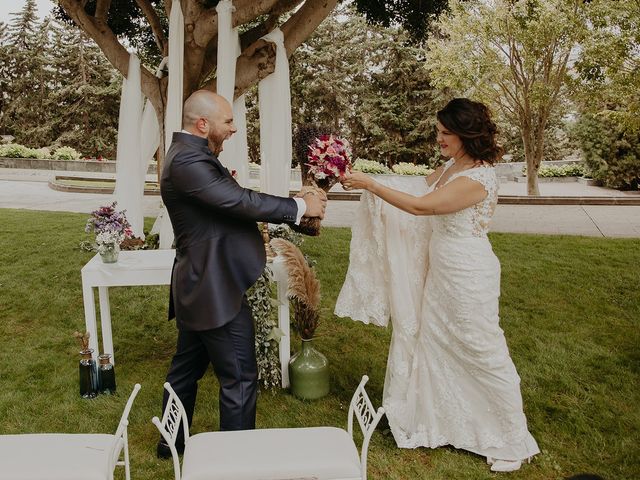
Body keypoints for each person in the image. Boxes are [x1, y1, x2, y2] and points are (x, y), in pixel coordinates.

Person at [340, 98, 539, 472]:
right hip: (441, 271)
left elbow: (422, 207)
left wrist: (370, 184)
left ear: (466, 134)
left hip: (468, 273)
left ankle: (511, 440)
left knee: (482, 348)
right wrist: (369, 181)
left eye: (446, 133)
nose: (439, 139)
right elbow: (415, 188)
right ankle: (445, 423)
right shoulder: (452, 166)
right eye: (438, 131)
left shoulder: (478, 177)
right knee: (438, 343)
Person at [157, 90, 326, 458]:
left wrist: (295, 213)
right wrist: (300, 205)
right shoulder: (188, 161)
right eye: (228, 121)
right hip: (214, 288)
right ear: (203, 124)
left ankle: (169, 444)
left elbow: (232, 207)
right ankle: (235, 461)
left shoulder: (192, 155)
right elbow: (238, 202)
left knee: (184, 372)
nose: (233, 129)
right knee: (239, 378)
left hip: (199, 284)